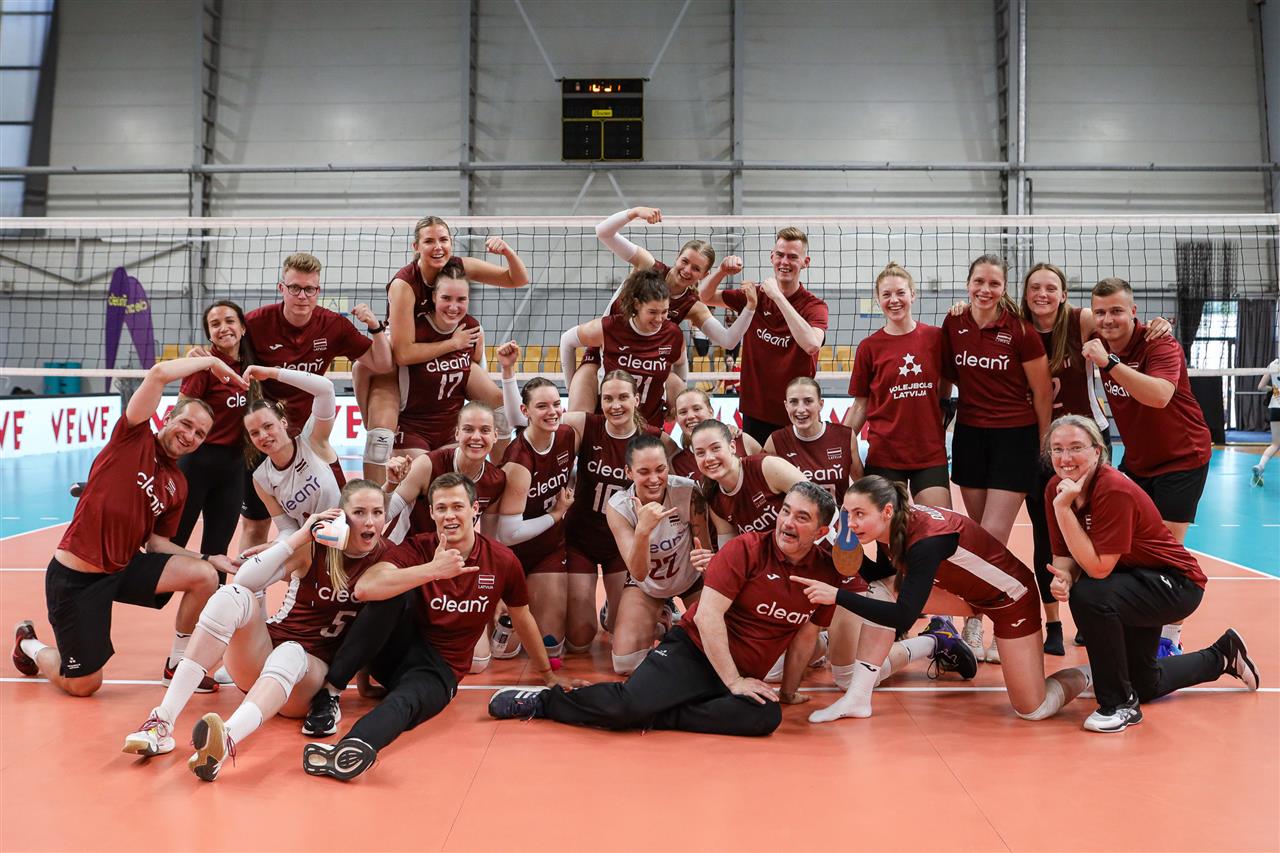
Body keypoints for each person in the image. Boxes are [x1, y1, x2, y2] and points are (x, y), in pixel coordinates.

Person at [487, 482, 859, 736]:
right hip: (694, 652)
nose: (787, 523)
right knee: (625, 708)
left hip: (740, 674)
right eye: (786, 511)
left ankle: (658, 712)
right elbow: (708, 616)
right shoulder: (747, 549)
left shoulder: (825, 573)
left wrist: (789, 691)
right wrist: (733, 681)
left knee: (765, 716)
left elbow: (805, 636)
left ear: (821, 532)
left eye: (802, 518)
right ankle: (545, 702)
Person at [301, 474, 575, 781]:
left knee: (405, 702)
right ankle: (330, 691)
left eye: (457, 506)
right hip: (396, 652)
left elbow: (523, 618)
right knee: (393, 591)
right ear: (431, 512)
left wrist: (548, 675)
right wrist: (432, 570)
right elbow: (366, 589)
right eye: (441, 508)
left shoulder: (501, 560)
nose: (449, 516)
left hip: (440, 669)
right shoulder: (417, 548)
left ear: (474, 509)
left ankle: (351, 747)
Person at [12, 357, 242, 697]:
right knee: (84, 685)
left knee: (205, 576)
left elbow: (158, 544)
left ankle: (177, 665)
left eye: (199, 434)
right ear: (168, 417)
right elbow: (158, 374)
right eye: (186, 424)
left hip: (123, 569)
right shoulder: (133, 436)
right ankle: (28, 645)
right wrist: (210, 362)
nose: (190, 436)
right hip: (76, 578)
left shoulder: (178, 483)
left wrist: (208, 558)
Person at [119, 482, 387, 769]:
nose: (369, 521)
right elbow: (245, 579)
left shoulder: (388, 559)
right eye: (359, 512)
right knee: (231, 595)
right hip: (262, 657)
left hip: (308, 678)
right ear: (342, 517)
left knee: (290, 651)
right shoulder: (314, 548)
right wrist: (299, 537)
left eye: (377, 512)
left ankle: (226, 740)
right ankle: (161, 722)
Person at [794, 475, 1093, 724]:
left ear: (886, 511)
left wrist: (837, 596)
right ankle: (857, 699)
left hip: (1011, 600)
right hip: (965, 594)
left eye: (859, 514)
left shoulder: (926, 540)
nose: (851, 522)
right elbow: (879, 576)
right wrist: (838, 547)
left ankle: (1092, 674)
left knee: (1033, 709)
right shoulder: (894, 525)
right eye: (847, 513)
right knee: (881, 589)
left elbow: (903, 617)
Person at [1043, 415, 1259, 732]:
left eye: (1076, 447)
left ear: (1097, 451)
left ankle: (1119, 704)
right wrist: (1062, 577)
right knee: (1145, 683)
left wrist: (1063, 510)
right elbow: (1063, 556)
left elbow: (1099, 568)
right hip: (1132, 582)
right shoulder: (1056, 488)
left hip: (1175, 584)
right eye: (1057, 449)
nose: (1065, 458)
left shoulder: (1111, 488)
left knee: (1089, 593)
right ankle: (1223, 655)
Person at [1011, 263, 1169, 654]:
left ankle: (1088, 616)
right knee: (1046, 535)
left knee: (1095, 531)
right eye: (1035, 288)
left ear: (1064, 294)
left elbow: (1121, 329)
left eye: (1051, 287)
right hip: (1039, 444)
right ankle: (1052, 623)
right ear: (1025, 294)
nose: (1043, 294)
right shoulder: (1015, 328)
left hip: (1088, 441)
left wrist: (1157, 325)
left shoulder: (1079, 320)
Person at [1087, 276, 1215, 655]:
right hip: (1139, 462)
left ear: (1134, 312)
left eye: (1116, 311)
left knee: (1167, 551)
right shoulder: (1096, 338)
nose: (1108, 319)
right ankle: (1137, 627)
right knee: (1128, 546)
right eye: (1100, 312)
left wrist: (1109, 362)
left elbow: (1159, 396)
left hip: (1182, 458)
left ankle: (1169, 639)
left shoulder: (1160, 343)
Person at [357, 216, 528, 482]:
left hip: (446, 345)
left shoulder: (457, 267)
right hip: (399, 353)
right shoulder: (404, 285)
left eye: (444, 240)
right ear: (416, 247)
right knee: (379, 436)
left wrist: (506, 251)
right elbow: (402, 354)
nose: (438, 247)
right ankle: (372, 497)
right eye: (429, 241)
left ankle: (501, 478)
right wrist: (454, 343)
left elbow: (517, 279)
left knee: (500, 412)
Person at [941, 254, 1052, 663]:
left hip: (1014, 438)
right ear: (968, 283)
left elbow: (1042, 392)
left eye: (994, 283)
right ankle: (979, 621)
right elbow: (946, 377)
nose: (985, 290)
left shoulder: (1020, 331)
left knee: (989, 541)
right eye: (979, 282)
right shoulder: (954, 323)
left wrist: (1042, 444)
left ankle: (987, 623)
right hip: (970, 436)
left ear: (1005, 288)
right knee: (975, 540)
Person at [241, 252, 391, 547]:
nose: (302, 296)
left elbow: (383, 364)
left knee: (336, 519)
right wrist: (205, 353)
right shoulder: (256, 323)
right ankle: (248, 579)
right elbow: (225, 352)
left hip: (310, 434)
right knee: (256, 524)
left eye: (309, 289)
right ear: (281, 288)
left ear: (318, 290)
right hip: (266, 434)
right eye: (295, 288)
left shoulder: (332, 325)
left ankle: (337, 573)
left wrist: (375, 328)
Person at [571, 205, 757, 412]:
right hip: (607, 352)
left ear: (704, 275)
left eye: (696, 268)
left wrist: (750, 307)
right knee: (581, 416)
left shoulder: (693, 305)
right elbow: (603, 232)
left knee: (674, 399)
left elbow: (728, 340)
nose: (687, 270)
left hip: (645, 363)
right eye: (685, 261)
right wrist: (634, 212)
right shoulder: (649, 266)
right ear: (677, 256)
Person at [560, 370, 673, 647]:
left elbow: (688, 459)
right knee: (580, 638)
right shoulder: (587, 424)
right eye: (608, 398)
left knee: (616, 628)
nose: (615, 405)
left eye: (623, 397)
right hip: (581, 538)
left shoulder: (654, 438)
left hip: (624, 544)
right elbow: (539, 420)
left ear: (636, 399)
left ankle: (615, 611)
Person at [699, 227, 828, 443]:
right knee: (756, 465)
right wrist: (721, 271)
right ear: (772, 257)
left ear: (805, 262)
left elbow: (812, 345)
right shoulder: (754, 295)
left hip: (796, 412)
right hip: (756, 411)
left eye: (792, 257)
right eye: (780, 255)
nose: (784, 262)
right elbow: (704, 296)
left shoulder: (814, 306)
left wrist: (777, 297)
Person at [845, 261, 951, 509]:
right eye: (886, 294)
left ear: (913, 295)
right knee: (887, 530)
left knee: (940, 527)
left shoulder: (935, 337)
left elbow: (946, 382)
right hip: (885, 454)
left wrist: (942, 408)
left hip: (929, 452)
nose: (894, 300)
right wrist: (837, 440)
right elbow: (860, 405)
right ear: (878, 300)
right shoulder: (869, 347)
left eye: (900, 293)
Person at [604, 433, 712, 674]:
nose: (654, 479)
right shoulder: (618, 506)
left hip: (690, 578)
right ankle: (662, 621)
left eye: (660, 469)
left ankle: (677, 622)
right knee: (624, 664)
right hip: (648, 584)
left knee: (715, 649)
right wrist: (643, 529)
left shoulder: (689, 492)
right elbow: (639, 573)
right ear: (629, 472)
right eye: (644, 472)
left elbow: (704, 550)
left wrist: (713, 603)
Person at [493, 361, 577, 663]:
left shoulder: (567, 435)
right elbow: (508, 533)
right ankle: (508, 606)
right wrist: (555, 515)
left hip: (548, 549)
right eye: (542, 406)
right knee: (503, 654)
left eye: (556, 404)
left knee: (553, 645)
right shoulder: (519, 460)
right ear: (525, 411)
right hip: (512, 553)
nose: (552, 411)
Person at [172, 300, 258, 559]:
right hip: (196, 463)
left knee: (218, 552)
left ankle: (213, 589)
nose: (223, 328)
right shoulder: (202, 366)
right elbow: (181, 412)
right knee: (173, 543)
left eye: (230, 321)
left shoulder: (252, 364)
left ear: (243, 328)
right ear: (209, 333)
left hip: (234, 466)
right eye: (215, 324)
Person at [560, 269, 689, 428]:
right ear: (636, 304)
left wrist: (677, 398)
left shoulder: (673, 334)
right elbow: (567, 340)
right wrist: (570, 386)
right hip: (609, 422)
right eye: (652, 312)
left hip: (649, 423)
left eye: (664, 312)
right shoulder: (610, 327)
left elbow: (681, 363)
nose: (659, 319)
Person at [383, 402, 509, 542]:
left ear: (495, 436)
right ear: (457, 434)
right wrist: (390, 484)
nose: (476, 437)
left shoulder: (495, 481)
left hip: (450, 552)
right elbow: (382, 516)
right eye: (468, 429)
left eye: (485, 430)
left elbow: (488, 539)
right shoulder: (427, 465)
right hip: (405, 549)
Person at [242, 367, 346, 534]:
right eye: (254, 433)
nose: (263, 436)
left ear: (283, 422)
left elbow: (325, 389)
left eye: (268, 426)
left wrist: (271, 373)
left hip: (350, 534)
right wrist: (277, 545)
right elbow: (288, 529)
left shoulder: (312, 440)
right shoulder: (261, 478)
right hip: (311, 544)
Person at [690, 419, 806, 541]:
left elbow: (815, 500)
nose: (709, 458)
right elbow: (729, 547)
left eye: (715, 448)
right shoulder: (714, 498)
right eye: (700, 453)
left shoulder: (766, 466)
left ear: (732, 447)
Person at [763, 376, 862, 503]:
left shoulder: (845, 436)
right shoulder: (776, 441)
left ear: (821, 404)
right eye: (793, 402)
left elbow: (861, 486)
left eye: (808, 401)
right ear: (786, 405)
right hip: (797, 515)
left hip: (839, 514)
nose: (800, 409)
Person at [669, 387, 760, 480]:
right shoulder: (678, 463)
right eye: (683, 412)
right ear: (676, 418)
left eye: (696, 409)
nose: (690, 416)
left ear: (711, 411)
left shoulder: (741, 440)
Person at [1254, 355, 1280, 485]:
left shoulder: (1273, 364)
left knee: (1275, 444)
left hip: (1276, 407)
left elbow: (1261, 386)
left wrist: (1274, 389)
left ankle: (1260, 466)